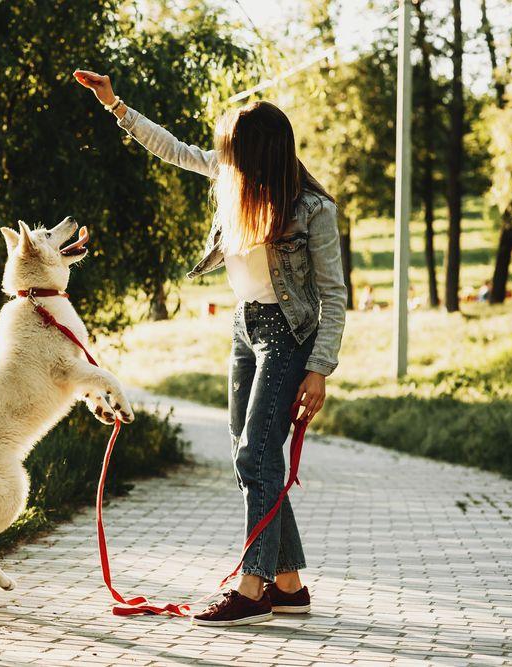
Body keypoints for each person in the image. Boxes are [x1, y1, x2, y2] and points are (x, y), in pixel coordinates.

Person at [74, 70, 347, 627]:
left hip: (287, 336)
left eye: (232, 150)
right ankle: (290, 584)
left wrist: (319, 369)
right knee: (252, 454)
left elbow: (334, 295)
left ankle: (253, 587)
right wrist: (115, 105)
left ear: (261, 156)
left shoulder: (313, 210)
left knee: (254, 455)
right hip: (245, 330)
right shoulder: (231, 176)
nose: (221, 156)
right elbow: (173, 149)